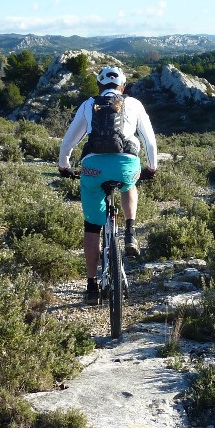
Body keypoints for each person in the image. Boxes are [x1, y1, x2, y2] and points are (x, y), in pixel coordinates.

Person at [58, 65, 158, 298]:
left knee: (92, 227)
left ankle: (92, 284)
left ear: (99, 86)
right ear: (123, 86)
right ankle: (131, 231)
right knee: (129, 185)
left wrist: (64, 165)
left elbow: (68, 142)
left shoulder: (87, 104)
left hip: (94, 167)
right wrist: (151, 168)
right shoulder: (134, 104)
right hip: (126, 165)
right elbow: (150, 141)